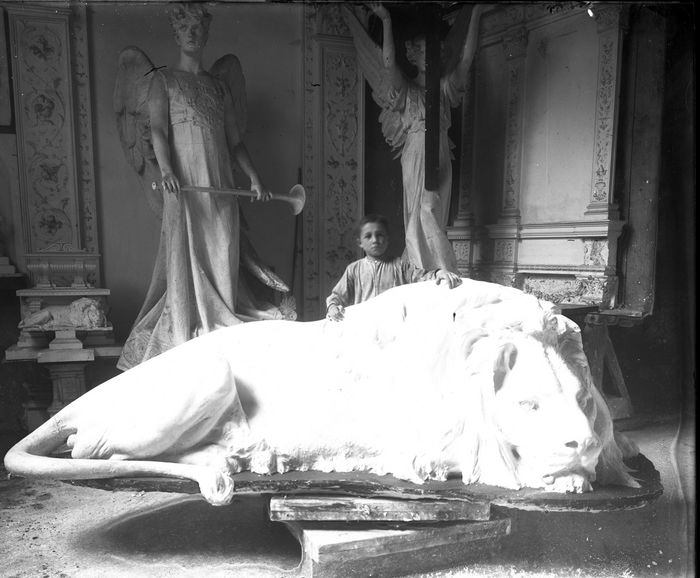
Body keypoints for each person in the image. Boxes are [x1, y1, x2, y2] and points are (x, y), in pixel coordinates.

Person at [117, 3, 280, 371]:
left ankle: (221, 326)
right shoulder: (163, 81)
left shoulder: (219, 87)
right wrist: (168, 169)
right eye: (185, 28)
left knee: (224, 248)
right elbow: (158, 129)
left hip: (220, 185)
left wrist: (254, 178)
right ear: (176, 34)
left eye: (197, 28)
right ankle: (195, 325)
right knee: (187, 253)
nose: (192, 33)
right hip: (186, 186)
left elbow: (236, 142)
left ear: (205, 34)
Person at [346, 4, 485, 273]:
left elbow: (466, 59)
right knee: (424, 209)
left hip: (441, 150)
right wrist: (385, 20)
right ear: (411, 54)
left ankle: (430, 267)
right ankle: (429, 269)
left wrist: (476, 13)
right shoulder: (406, 90)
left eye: (431, 50)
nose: (426, 55)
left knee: (436, 211)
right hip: (416, 152)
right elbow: (387, 64)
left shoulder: (444, 89)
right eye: (420, 50)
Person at [327, 214, 462, 321]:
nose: (375, 240)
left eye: (380, 235)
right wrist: (332, 307)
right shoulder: (354, 270)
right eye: (368, 236)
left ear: (387, 239)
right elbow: (337, 296)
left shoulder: (400, 265)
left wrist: (439, 273)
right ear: (360, 243)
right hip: (364, 327)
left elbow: (422, 277)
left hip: (394, 327)